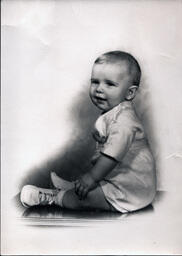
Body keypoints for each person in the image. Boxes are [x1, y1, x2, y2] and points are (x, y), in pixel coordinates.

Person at [20, 51, 156, 213]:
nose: (99, 89)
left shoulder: (124, 122)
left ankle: (55, 197)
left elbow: (111, 157)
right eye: (95, 82)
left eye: (109, 84)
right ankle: (73, 188)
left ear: (130, 93)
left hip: (131, 191)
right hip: (123, 180)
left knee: (83, 198)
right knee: (91, 184)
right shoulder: (116, 111)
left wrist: (91, 178)